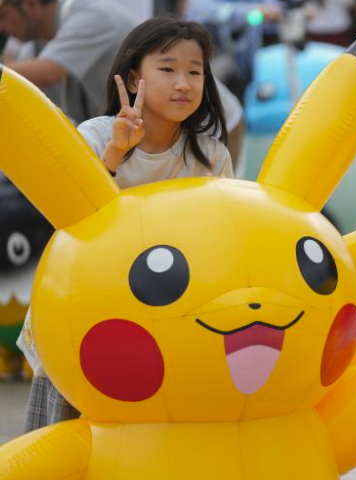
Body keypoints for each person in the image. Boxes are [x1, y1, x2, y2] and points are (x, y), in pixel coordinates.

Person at [24, 16, 233, 431]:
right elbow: (73, 219)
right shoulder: (97, 137)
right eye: (168, 68)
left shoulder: (211, 155)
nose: (184, 83)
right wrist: (117, 153)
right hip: (89, 313)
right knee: (69, 441)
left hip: (169, 324)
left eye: (195, 72)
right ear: (134, 79)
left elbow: (222, 237)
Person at [0, 0, 136, 123]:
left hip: (144, 137)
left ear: (31, 4)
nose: (1, 28)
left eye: (3, 16)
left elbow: (47, 73)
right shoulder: (36, 45)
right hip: (115, 136)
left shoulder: (91, 15)